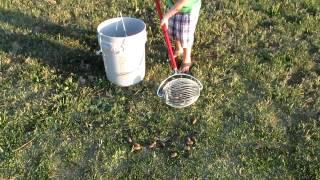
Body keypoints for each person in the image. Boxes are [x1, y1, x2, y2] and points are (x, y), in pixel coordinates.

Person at [160, 0, 201, 73]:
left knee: (185, 36)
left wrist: (166, 16)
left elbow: (180, 4)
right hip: (173, 6)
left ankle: (186, 59)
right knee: (174, 29)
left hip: (188, 10)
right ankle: (179, 49)